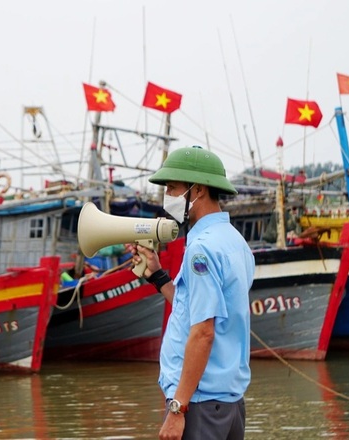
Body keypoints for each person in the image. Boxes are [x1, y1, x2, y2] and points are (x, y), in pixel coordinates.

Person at [129, 146, 255, 440]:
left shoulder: (201, 248)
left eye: (172, 188)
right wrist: (159, 277)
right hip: (230, 406)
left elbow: (203, 332)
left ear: (197, 190)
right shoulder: (235, 242)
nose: (167, 196)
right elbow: (201, 312)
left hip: (199, 405)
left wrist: (177, 409)